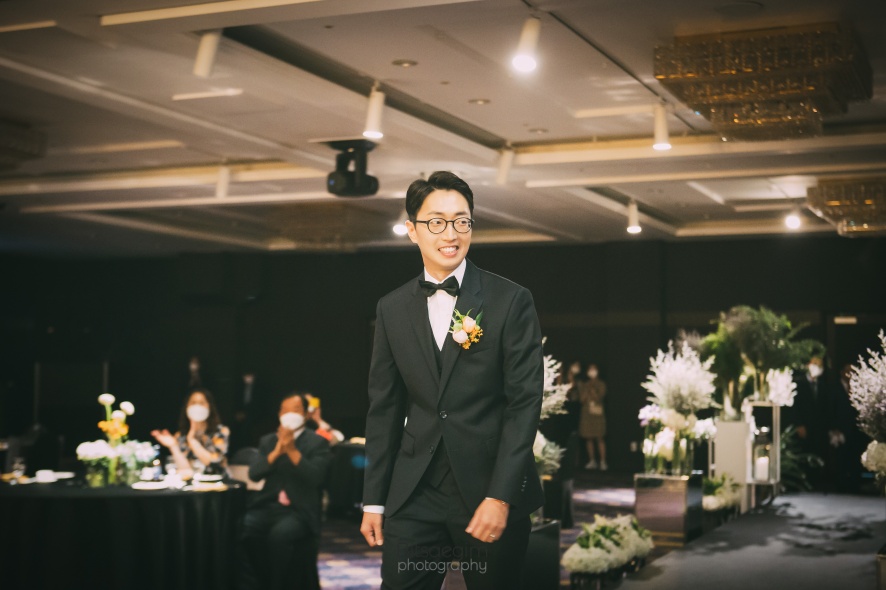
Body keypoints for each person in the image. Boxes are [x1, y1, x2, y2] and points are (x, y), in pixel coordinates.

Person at [360, 171, 544, 590]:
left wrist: (501, 496)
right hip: (415, 494)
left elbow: (524, 404)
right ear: (412, 230)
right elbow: (384, 409)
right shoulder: (391, 308)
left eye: (462, 220)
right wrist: (374, 500)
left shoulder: (510, 300)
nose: (451, 233)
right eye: (437, 221)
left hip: (487, 491)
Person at [239, 393, 332, 590]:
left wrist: (291, 450)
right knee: (244, 528)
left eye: (295, 409)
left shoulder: (318, 442)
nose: (289, 414)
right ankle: (259, 583)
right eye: (285, 410)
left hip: (299, 510)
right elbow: (254, 474)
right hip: (267, 505)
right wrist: (276, 452)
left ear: (306, 414)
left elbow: (316, 477)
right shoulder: (268, 440)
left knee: (279, 536)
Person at [151, 388, 229, 477]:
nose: (197, 406)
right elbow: (185, 471)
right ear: (187, 407)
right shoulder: (181, 435)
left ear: (209, 406)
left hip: (219, 482)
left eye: (201, 403)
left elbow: (214, 464)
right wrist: (173, 445)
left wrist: (192, 440)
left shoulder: (220, 432)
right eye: (193, 403)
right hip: (193, 484)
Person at [579, 363, 607, 470]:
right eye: (590, 369)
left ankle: (603, 461)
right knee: (588, 437)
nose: (592, 371)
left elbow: (599, 397)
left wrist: (592, 390)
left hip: (597, 414)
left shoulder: (601, 384)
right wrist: (587, 389)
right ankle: (592, 460)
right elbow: (582, 400)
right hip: (587, 414)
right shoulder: (585, 384)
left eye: (594, 369)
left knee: (599, 437)